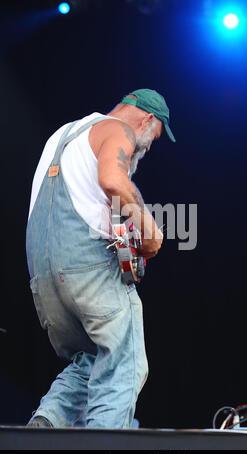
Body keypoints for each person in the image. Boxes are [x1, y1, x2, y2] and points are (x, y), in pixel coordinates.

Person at [26, 88, 176, 428]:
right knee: (125, 365)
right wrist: (151, 233)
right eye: (154, 137)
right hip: (84, 270)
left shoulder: (64, 136)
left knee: (91, 360)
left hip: (44, 279)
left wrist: (128, 249)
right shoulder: (117, 129)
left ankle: (46, 425)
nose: (149, 147)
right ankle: (104, 448)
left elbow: (79, 208)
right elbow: (111, 179)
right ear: (147, 119)